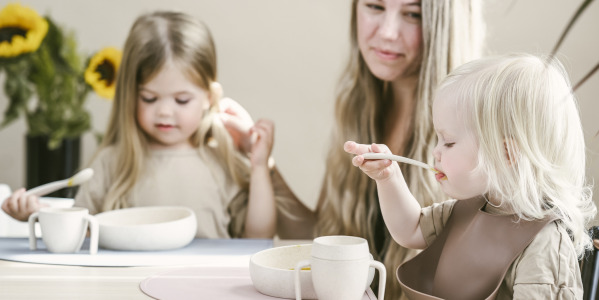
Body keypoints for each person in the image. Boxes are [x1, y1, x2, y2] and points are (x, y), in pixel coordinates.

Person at [217, 0, 484, 298]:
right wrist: (262, 163)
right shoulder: (357, 109)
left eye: (412, 14)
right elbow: (322, 239)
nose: (387, 32)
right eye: (374, 6)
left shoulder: (475, 131)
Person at [2, 11, 281, 239]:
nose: (165, 112)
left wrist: (259, 167)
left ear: (208, 97)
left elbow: (258, 238)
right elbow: (80, 235)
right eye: (149, 98)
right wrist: (37, 215)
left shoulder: (221, 158)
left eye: (182, 100)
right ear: (130, 95)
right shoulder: (113, 162)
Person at [346, 53, 597, 298]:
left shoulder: (544, 245)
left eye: (449, 142)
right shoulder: (470, 209)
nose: (436, 151)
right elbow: (410, 229)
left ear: (506, 154)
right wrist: (388, 177)